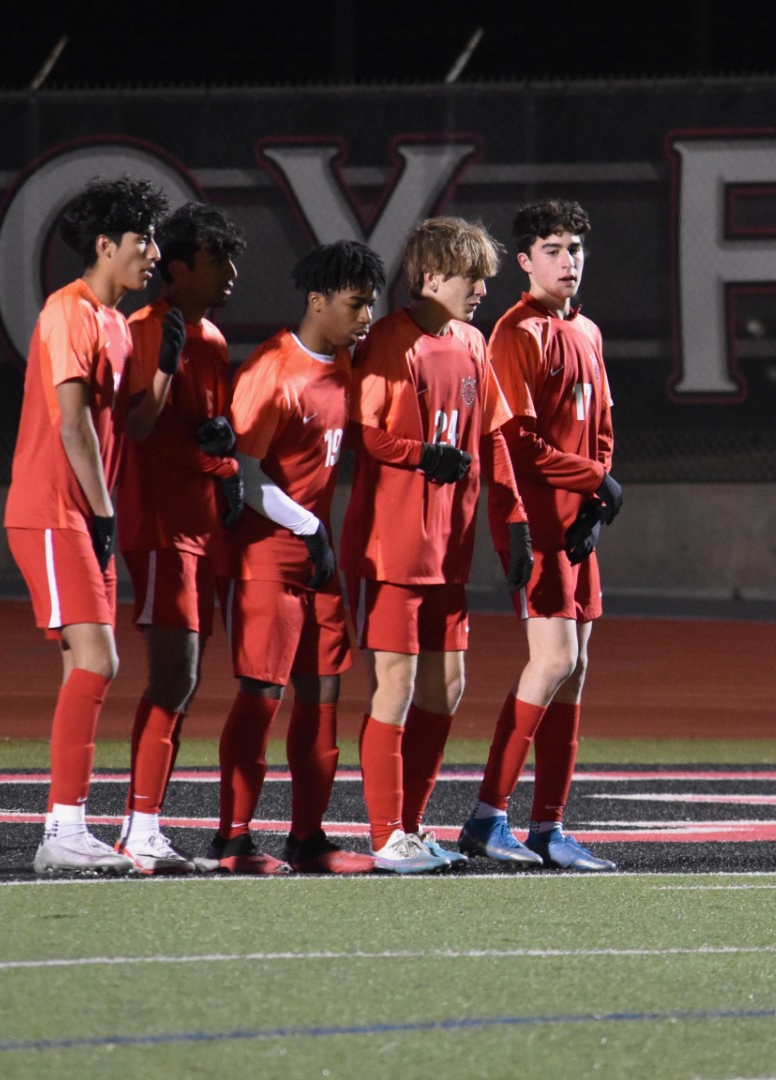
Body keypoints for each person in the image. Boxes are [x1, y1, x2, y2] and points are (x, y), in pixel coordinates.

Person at [344, 218, 531, 874]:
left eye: (484, 275)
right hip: (392, 549)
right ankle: (386, 832)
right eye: (468, 275)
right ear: (428, 277)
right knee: (393, 685)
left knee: (446, 687)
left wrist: (513, 528)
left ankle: (415, 826)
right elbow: (367, 434)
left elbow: (496, 439)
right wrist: (424, 454)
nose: (481, 287)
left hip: (449, 551)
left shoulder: (474, 343)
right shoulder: (390, 342)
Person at [4, 176, 168, 875]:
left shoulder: (117, 325)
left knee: (88, 666)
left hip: (84, 512)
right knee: (99, 662)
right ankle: (62, 827)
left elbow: (127, 427)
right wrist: (104, 514)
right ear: (105, 246)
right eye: (142, 240)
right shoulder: (66, 312)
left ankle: (67, 827)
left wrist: (169, 365)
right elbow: (72, 425)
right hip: (53, 511)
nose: (153, 252)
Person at [210, 240, 387, 875]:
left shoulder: (345, 363)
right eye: (355, 303)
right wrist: (310, 527)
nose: (366, 316)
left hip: (318, 558)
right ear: (318, 301)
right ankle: (231, 840)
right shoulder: (271, 369)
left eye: (371, 303)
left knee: (323, 696)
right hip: (267, 556)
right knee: (263, 696)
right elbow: (245, 473)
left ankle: (307, 838)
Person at [460, 199, 624, 872]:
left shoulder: (588, 332)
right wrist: (591, 480)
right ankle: (486, 815)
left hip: (576, 524)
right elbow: (518, 446)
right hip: (535, 525)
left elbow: (603, 427)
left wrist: (595, 494)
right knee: (552, 661)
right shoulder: (514, 332)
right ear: (523, 260)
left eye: (576, 249)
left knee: (575, 670)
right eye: (553, 249)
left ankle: (549, 827)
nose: (568, 261)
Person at [110, 202, 247, 875]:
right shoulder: (147, 328)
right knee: (175, 675)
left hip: (202, 525)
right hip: (162, 526)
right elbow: (136, 427)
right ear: (181, 266)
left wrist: (226, 454)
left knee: (185, 682)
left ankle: (145, 824)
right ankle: (138, 827)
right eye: (219, 261)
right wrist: (164, 365)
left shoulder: (213, 338)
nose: (232, 273)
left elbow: (208, 428)